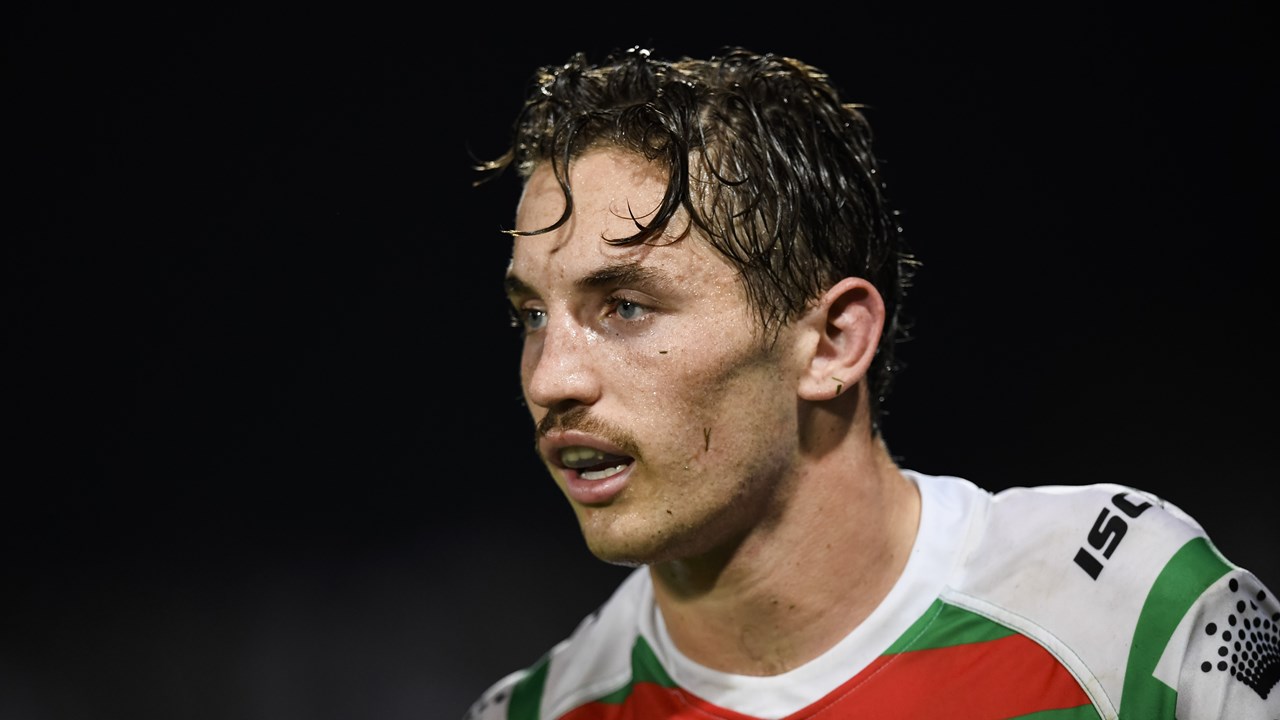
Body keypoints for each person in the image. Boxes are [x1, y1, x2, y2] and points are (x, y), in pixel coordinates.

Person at [462, 45, 1279, 719]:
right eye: (532, 316)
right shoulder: (535, 712)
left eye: (627, 307)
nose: (552, 378)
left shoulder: (1132, 615)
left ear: (832, 342)